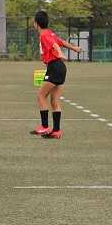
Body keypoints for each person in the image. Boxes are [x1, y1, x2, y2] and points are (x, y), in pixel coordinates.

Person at [32, 10, 82, 140]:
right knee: (54, 100)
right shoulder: (50, 33)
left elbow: (55, 45)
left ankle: (44, 126)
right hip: (60, 67)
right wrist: (75, 48)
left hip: (54, 67)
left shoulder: (44, 35)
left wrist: (59, 53)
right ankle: (56, 130)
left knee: (41, 96)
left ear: (36, 23)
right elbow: (61, 42)